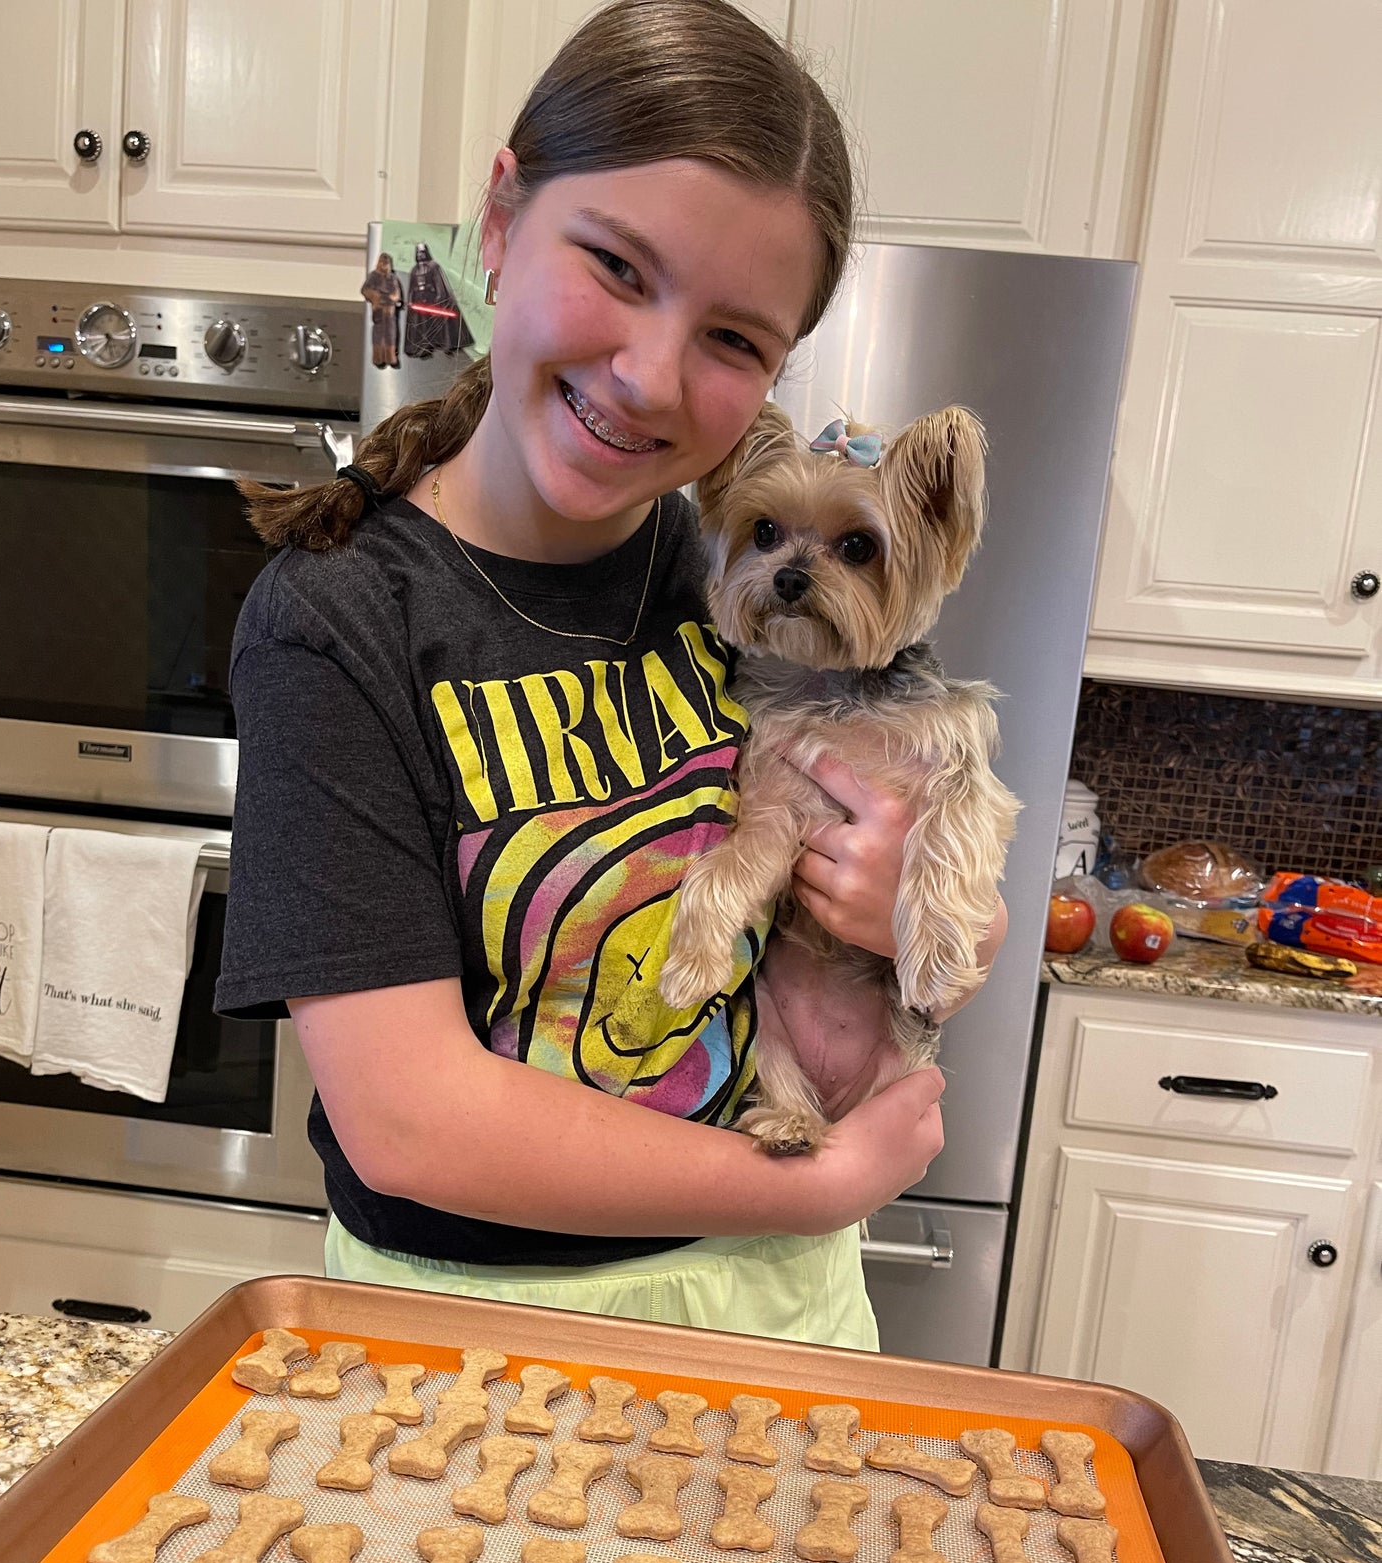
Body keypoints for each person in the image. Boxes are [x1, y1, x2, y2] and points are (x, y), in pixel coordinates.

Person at [216, 0, 1006, 1349]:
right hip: (467, 1327)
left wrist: (909, 915)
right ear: (505, 217)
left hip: (783, 1307)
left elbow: (928, 887)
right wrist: (816, 1180)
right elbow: (408, 1122)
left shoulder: (742, 581)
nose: (649, 377)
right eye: (620, 268)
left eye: (734, 338)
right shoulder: (338, 620)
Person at [360, 251, 403, 368]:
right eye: (383, 263)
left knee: (390, 334)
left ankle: (391, 357)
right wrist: (376, 296)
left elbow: (396, 294)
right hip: (378, 310)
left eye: (387, 263)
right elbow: (365, 290)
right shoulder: (373, 276)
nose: (385, 265)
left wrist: (391, 298)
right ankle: (378, 357)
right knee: (378, 334)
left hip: (389, 311)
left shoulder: (392, 278)